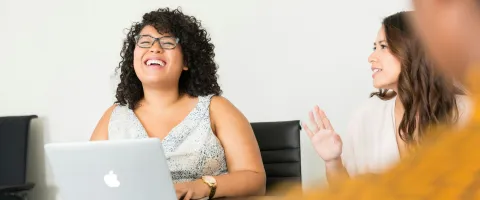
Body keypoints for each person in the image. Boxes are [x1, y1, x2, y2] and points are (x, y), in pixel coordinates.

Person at [283, 0, 480, 198]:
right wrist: (332, 160)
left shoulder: (466, 112)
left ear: (413, 50)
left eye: (383, 46)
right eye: (374, 47)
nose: (371, 57)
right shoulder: (365, 117)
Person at [90, 8, 266, 200]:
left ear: (186, 61)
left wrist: (201, 187)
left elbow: (255, 180)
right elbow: (86, 180)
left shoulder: (217, 109)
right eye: (145, 42)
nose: (154, 48)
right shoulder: (114, 117)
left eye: (167, 43)